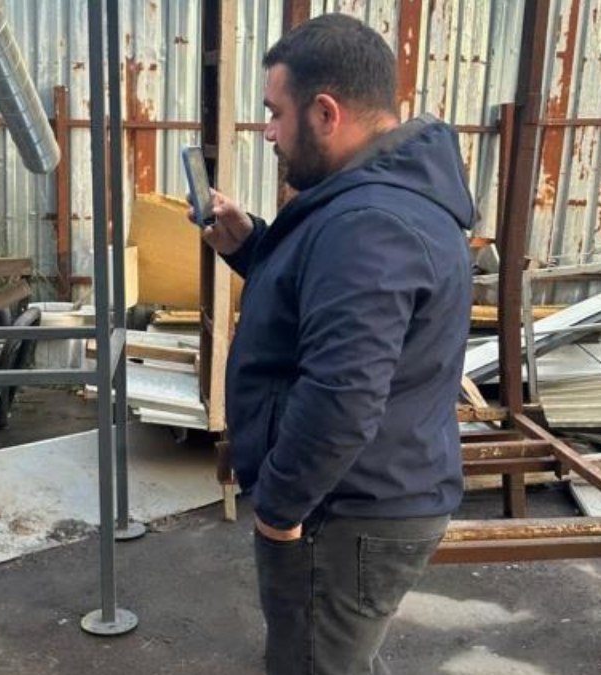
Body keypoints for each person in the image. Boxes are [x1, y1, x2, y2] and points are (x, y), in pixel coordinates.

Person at [196, 14, 473, 675]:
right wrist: (253, 244)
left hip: (343, 509)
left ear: (325, 112)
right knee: (332, 655)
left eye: (275, 112)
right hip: (363, 495)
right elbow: (325, 307)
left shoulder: (368, 221)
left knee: (313, 663)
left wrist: (279, 510)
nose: (267, 130)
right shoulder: (380, 201)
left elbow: (343, 391)